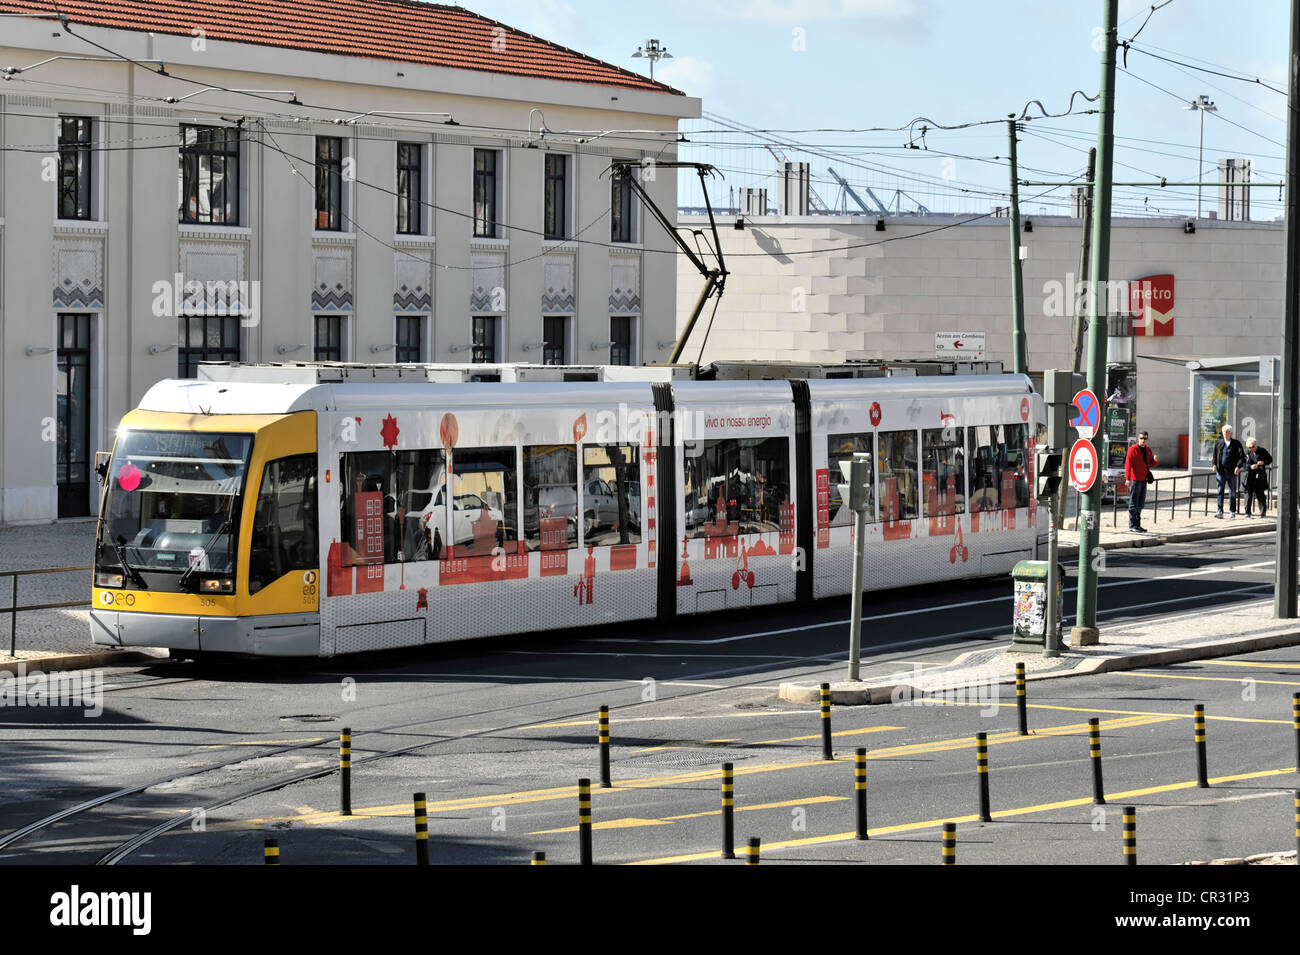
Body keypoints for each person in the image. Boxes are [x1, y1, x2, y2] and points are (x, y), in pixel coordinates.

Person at [1124, 431, 1158, 533]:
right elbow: (1128, 465)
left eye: (1145, 438)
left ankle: (1138, 525)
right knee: (1133, 503)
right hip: (1135, 480)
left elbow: (1151, 463)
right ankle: (1132, 525)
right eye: (1141, 438)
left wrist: (1156, 460)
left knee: (1140, 504)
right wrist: (1128, 478)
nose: (1143, 440)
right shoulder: (1132, 449)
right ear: (1138, 438)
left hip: (1143, 480)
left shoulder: (1148, 449)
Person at [1211, 424, 1245, 518]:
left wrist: (1238, 466)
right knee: (1220, 491)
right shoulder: (1219, 443)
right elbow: (1214, 456)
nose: (1225, 434)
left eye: (1227, 432)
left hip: (1232, 472)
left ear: (1231, 433)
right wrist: (1214, 465)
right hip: (1221, 471)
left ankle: (1232, 511)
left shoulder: (1236, 443)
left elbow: (1242, 457)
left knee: (1232, 492)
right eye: (1224, 432)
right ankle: (1220, 511)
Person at [1243, 437, 1273, 518]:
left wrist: (1263, 462)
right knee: (1248, 494)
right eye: (1249, 447)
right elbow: (1244, 464)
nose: (1251, 449)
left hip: (1259, 476)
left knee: (1260, 494)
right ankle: (1247, 512)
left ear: (1255, 445)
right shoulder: (1247, 453)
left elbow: (1270, 459)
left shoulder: (1262, 451)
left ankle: (1263, 512)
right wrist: (1250, 467)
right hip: (1250, 476)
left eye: (1252, 447)